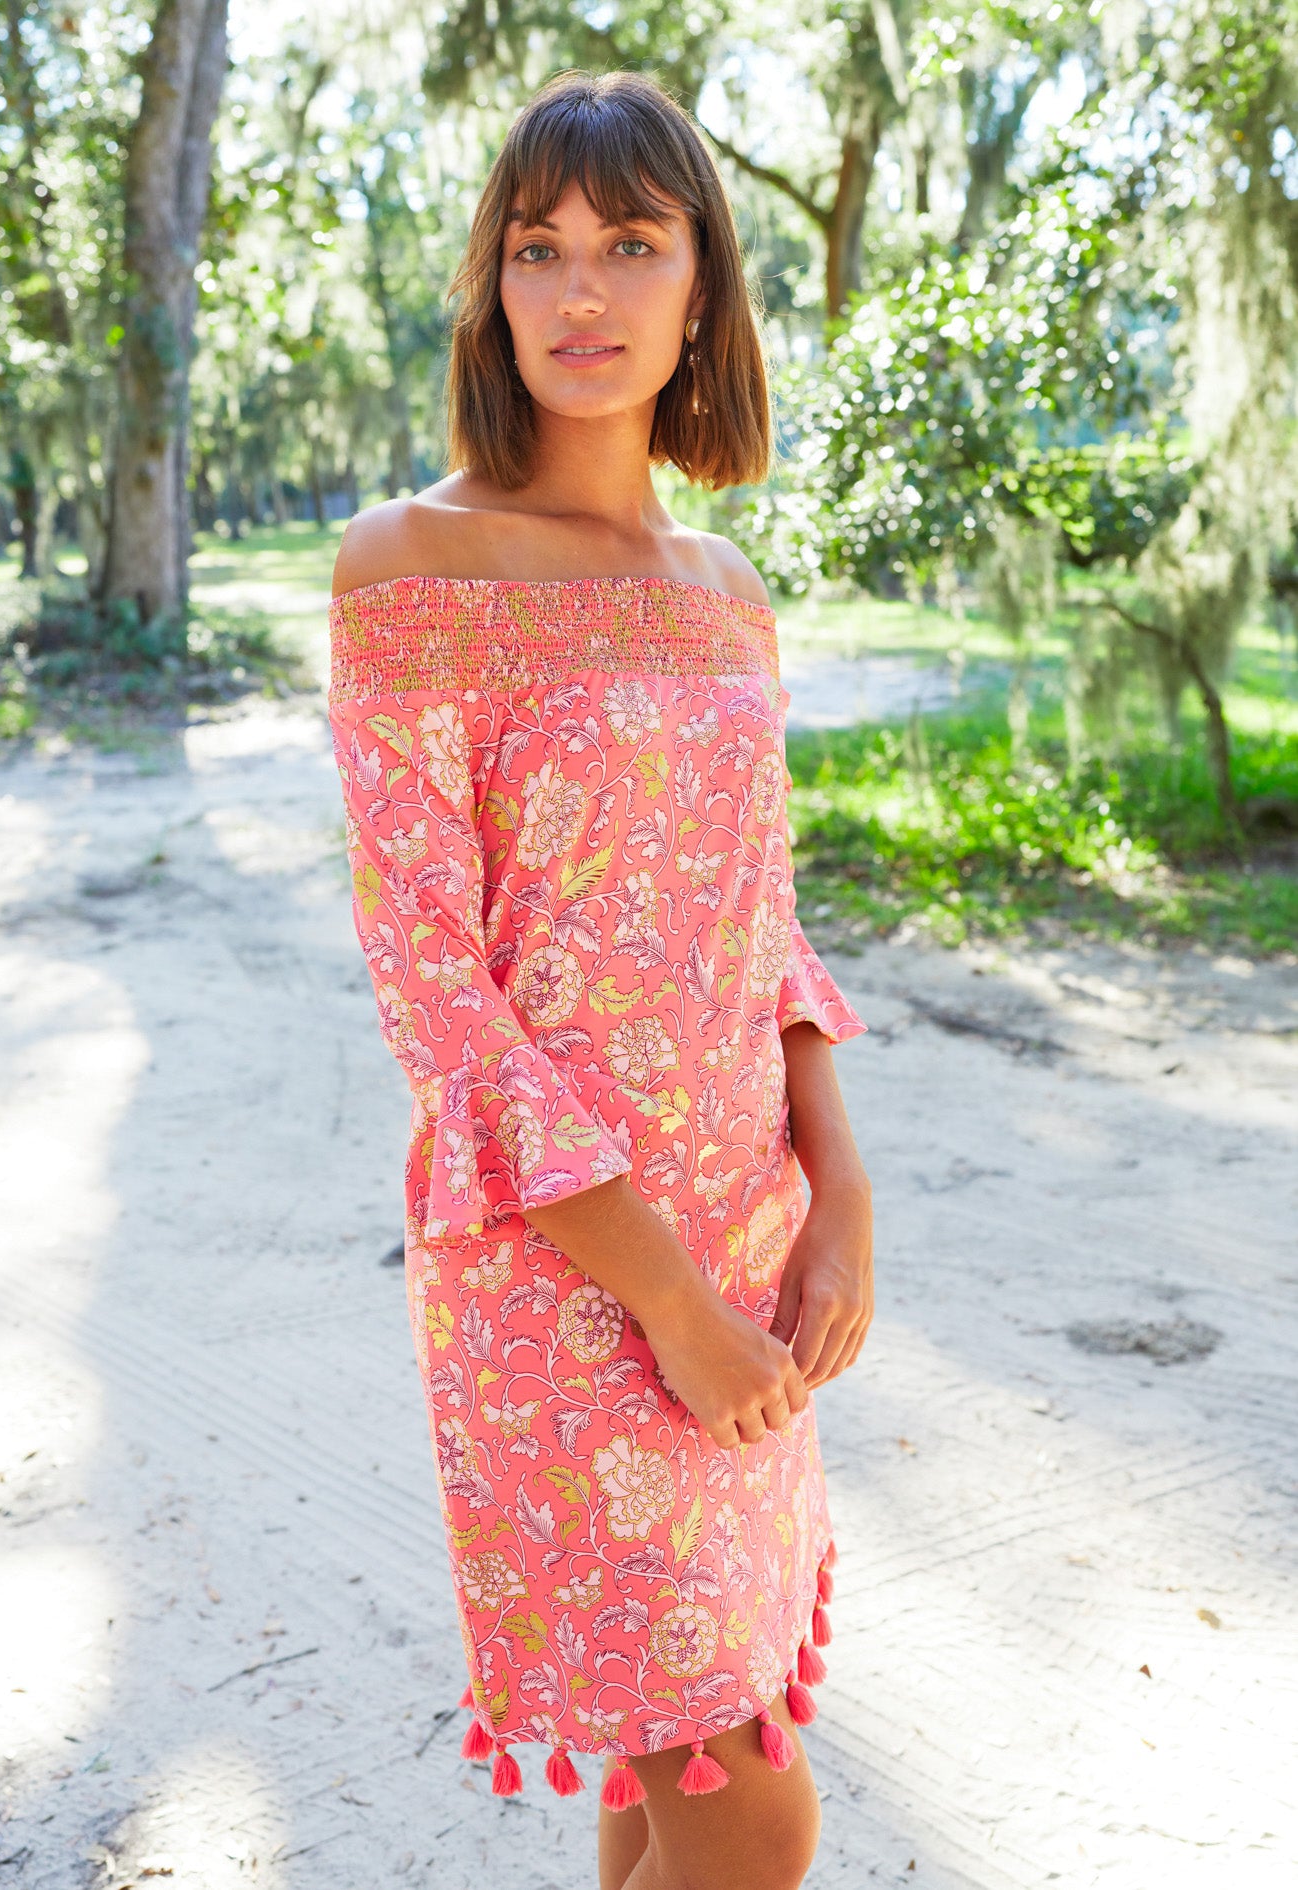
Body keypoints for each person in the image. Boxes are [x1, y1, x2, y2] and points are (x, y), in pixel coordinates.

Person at [328, 68, 874, 1890]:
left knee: (663, 1784)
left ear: (702, 284)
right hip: (566, 1273)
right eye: (536, 247)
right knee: (753, 1810)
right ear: (489, 285)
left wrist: (843, 1193)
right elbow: (434, 989)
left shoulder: (723, 588)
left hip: (748, 1231)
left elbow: (764, 924)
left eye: (631, 243)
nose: (582, 290)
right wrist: (665, 1303)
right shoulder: (411, 565)